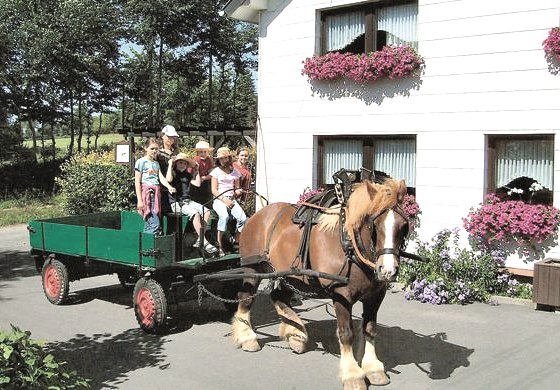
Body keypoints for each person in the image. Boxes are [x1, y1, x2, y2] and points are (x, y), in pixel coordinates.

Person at [166, 152, 218, 254]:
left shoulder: (187, 175)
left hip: (188, 201)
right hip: (176, 203)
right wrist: (170, 165)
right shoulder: (173, 173)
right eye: (180, 163)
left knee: (206, 211)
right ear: (176, 164)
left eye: (184, 163)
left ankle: (200, 238)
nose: (182, 165)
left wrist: (196, 171)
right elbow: (168, 179)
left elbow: (197, 183)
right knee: (195, 213)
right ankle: (204, 242)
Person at [210, 147, 247, 256]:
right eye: (221, 159)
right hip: (219, 199)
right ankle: (219, 244)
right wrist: (224, 200)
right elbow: (213, 190)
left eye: (225, 158)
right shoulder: (216, 172)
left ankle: (235, 240)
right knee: (224, 216)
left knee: (243, 218)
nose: (223, 161)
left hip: (231, 199)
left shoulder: (235, 172)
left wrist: (238, 192)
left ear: (229, 158)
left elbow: (236, 189)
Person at [134, 138, 176, 234]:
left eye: (156, 149)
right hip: (148, 194)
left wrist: (169, 187)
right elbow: (137, 182)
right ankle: (146, 246)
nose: (154, 151)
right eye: (152, 148)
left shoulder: (156, 164)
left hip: (157, 194)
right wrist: (139, 200)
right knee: (155, 224)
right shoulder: (141, 162)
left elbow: (161, 178)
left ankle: (146, 245)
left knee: (151, 223)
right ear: (146, 148)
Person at [157, 125, 179, 214]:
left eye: (172, 137)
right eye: (168, 136)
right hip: (161, 187)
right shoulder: (157, 152)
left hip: (174, 187)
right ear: (162, 136)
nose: (170, 139)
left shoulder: (176, 152)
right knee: (161, 211)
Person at [191, 140, 214, 206]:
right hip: (196, 180)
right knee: (197, 198)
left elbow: (211, 172)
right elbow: (192, 172)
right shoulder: (196, 159)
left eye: (205, 152)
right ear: (197, 152)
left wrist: (204, 178)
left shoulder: (209, 159)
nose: (203, 154)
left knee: (207, 198)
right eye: (201, 152)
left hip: (205, 181)